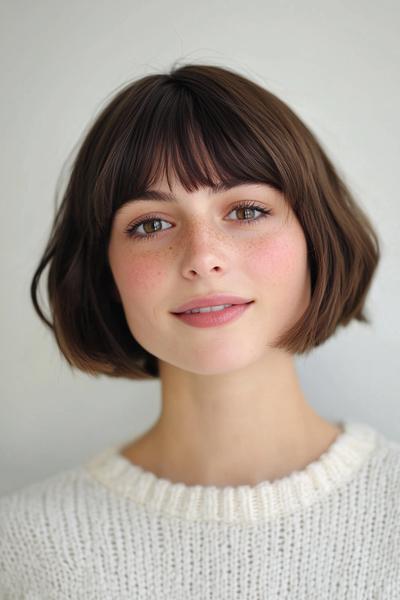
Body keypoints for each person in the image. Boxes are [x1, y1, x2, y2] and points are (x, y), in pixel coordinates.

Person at [1, 62, 399, 598]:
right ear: (105, 272)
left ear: (317, 237)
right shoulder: (23, 548)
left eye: (246, 210)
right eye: (150, 224)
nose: (203, 258)